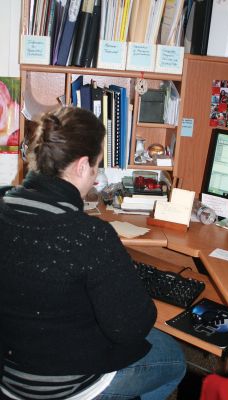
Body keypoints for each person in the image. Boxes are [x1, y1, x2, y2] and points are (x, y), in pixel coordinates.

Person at [0, 106, 186, 400]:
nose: (96, 178)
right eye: (97, 166)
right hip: (62, 388)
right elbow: (132, 328)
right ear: (82, 165)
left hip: (9, 378)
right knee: (173, 358)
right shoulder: (90, 236)